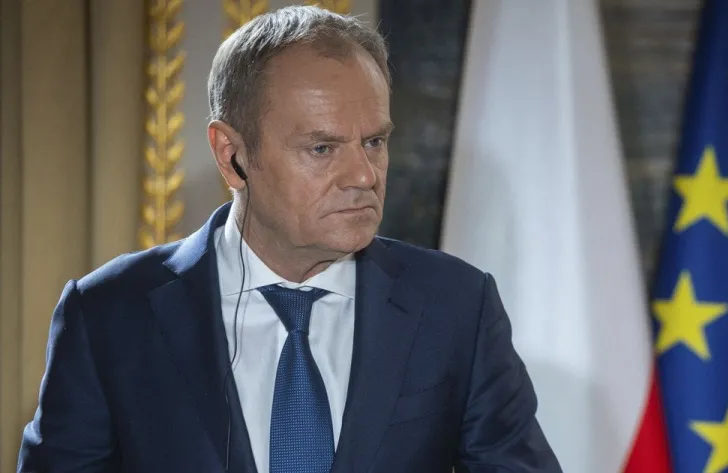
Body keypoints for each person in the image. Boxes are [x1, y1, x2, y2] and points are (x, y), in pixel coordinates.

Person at [17, 5, 561, 473]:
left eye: (374, 142)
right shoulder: (109, 315)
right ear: (232, 155)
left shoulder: (456, 306)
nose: (364, 175)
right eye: (322, 148)